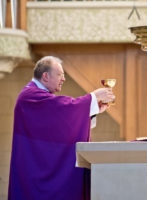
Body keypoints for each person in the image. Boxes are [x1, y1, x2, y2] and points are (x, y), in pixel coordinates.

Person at [8, 56, 115, 200]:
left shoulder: (34, 95)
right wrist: (92, 98)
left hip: (33, 166)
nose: (64, 79)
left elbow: (56, 124)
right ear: (45, 76)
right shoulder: (30, 96)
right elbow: (62, 109)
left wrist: (92, 110)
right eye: (60, 74)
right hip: (33, 171)